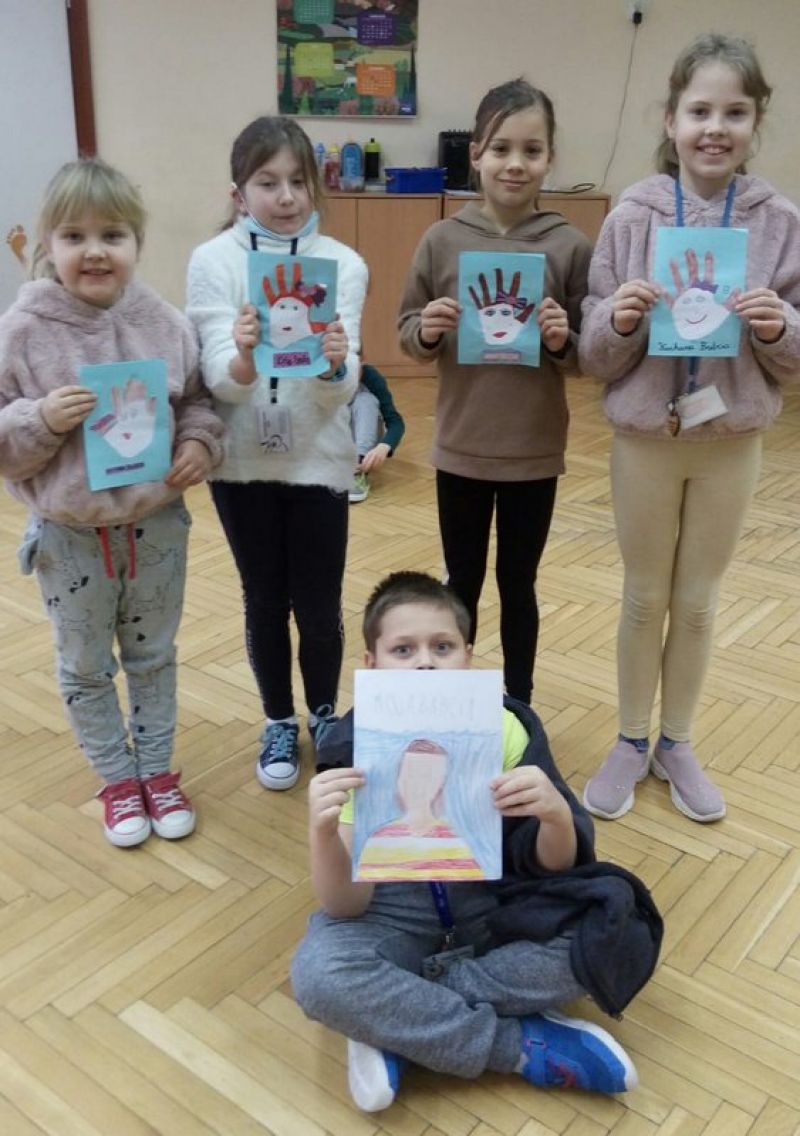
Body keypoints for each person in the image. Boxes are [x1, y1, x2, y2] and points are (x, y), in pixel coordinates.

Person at [292, 571, 663, 1112]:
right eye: (403, 649)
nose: (424, 662)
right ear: (371, 664)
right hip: (393, 918)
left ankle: (399, 1021)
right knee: (319, 975)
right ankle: (518, 1047)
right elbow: (344, 905)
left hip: (496, 911)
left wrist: (556, 817)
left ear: (468, 656)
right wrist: (322, 834)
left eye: (442, 647)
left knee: (617, 928)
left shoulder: (506, 730)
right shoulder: (356, 746)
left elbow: (556, 870)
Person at [579, 35, 800, 824]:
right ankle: (630, 739)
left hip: (730, 440)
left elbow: (795, 356)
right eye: (699, 111)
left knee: (699, 602)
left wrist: (777, 327)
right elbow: (593, 353)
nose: (715, 128)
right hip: (646, 438)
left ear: (755, 121)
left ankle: (677, 741)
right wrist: (619, 319)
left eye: (734, 112)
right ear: (670, 119)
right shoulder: (632, 215)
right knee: (644, 596)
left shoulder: (779, 221)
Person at [0, 158, 225, 847]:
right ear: (49, 243)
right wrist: (41, 418)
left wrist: (199, 444)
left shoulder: (166, 324)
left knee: (153, 655)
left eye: (113, 235)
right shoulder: (23, 331)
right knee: (85, 666)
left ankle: (155, 771)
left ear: (137, 243)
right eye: (74, 236)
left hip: (156, 527)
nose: (94, 251)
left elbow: (198, 402)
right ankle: (118, 781)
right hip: (69, 537)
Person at [186, 116, 368, 791]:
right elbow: (216, 381)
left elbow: (341, 390)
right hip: (242, 464)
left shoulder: (345, 265)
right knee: (263, 597)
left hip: (318, 459)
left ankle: (322, 715)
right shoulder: (212, 262)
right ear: (238, 192)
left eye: (298, 181)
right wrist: (240, 355)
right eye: (268, 182)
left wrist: (335, 363)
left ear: (315, 185)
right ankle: (278, 721)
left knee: (319, 605)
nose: (286, 197)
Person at [397, 79, 592, 706]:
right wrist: (428, 329)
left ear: (550, 158)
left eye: (532, 150)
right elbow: (408, 331)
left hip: (534, 450)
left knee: (519, 583)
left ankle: (518, 703)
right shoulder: (442, 239)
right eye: (501, 148)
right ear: (476, 154)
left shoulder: (569, 244)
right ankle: (457, 704)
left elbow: (588, 354)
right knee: (462, 581)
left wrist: (562, 339)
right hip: (461, 447)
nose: (515, 164)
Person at [348, 361, 405, 503]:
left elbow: (395, 421)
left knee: (366, 400)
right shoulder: (314, 374)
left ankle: (358, 468)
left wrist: (384, 446)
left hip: (360, 438)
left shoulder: (370, 377)